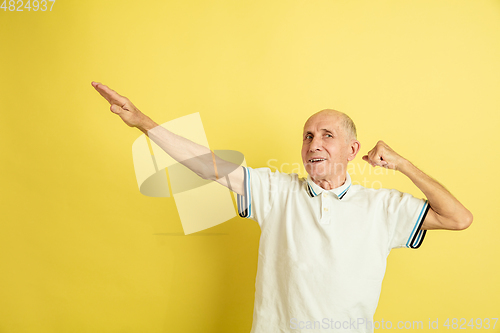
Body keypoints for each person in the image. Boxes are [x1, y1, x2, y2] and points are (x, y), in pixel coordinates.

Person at [92, 81, 473, 333]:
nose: (314, 144)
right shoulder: (275, 190)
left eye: (327, 135)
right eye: (308, 136)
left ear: (353, 150)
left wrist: (403, 164)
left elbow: (459, 218)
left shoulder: (383, 207)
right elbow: (207, 164)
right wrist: (141, 121)